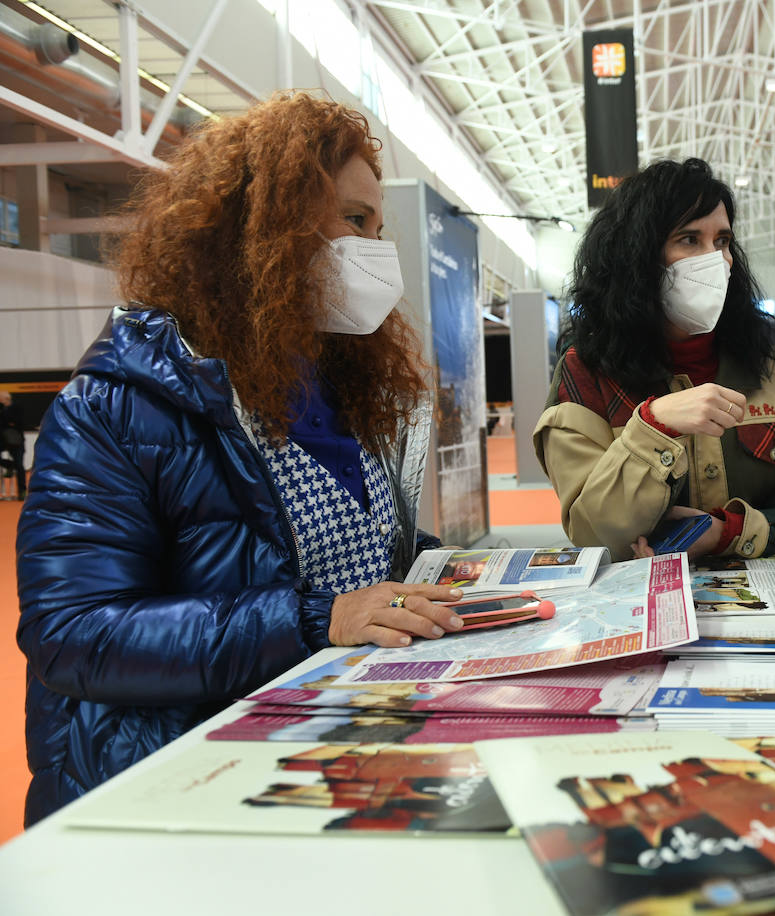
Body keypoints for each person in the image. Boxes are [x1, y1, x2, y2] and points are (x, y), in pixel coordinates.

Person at [14, 93, 468, 826]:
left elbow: (344, 552)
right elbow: (74, 634)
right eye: (355, 221)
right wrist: (316, 620)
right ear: (263, 226)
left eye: (379, 228)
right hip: (185, 781)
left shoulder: (345, 384)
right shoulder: (116, 407)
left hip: (337, 746)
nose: (376, 252)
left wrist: (441, 571)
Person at [533, 157, 775, 561]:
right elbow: (594, 532)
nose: (715, 260)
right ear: (638, 255)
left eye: (723, 241)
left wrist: (725, 533)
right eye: (689, 239)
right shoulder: (584, 372)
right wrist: (654, 426)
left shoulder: (773, 368)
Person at [0, 390, 25, 499]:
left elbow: (19, 422)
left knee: (19, 465)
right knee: (15, 464)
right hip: (2, 440)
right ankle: (9, 464)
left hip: (16, 440)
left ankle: (22, 491)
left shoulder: (16, 408)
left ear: (6, 398)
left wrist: (9, 422)